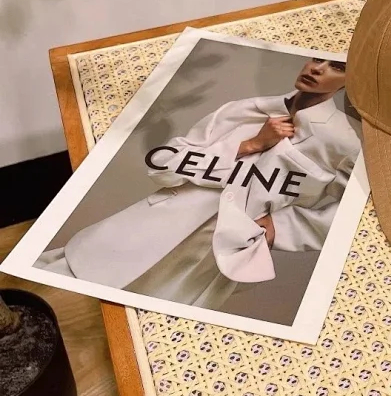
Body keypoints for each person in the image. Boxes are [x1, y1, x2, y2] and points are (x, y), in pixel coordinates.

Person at [36, 58, 360, 310]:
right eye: (316, 60)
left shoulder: (343, 142)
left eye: (336, 67)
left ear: (352, 79)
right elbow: (164, 164)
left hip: (211, 257)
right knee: (56, 291)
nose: (317, 69)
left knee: (149, 327)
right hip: (149, 227)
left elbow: (356, 213)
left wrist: (281, 226)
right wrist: (250, 145)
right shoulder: (244, 110)